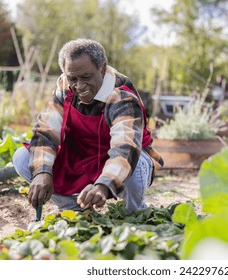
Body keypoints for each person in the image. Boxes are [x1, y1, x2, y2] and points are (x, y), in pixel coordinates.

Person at [12, 38, 164, 214]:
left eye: (86, 77)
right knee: (23, 158)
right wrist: (42, 173)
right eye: (73, 79)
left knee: (135, 163)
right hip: (82, 157)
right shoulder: (65, 87)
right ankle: (75, 209)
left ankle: (134, 212)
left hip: (121, 159)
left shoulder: (122, 97)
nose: (79, 85)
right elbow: (45, 130)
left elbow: (126, 148)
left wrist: (103, 185)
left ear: (102, 68)